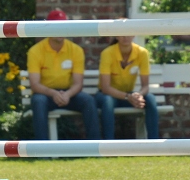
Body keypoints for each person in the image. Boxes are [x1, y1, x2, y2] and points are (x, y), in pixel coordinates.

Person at [27, 9, 101, 140]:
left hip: (69, 94)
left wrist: (67, 94)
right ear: (48, 28)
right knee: (38, 101)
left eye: (63, 26)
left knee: (88, 101)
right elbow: (35, 85)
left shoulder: (76, 50)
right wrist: (54, 93)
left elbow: (78, 84)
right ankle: (42, 150)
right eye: (56, 27)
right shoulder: (35, 51)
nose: (60, 31)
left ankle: (94, 147)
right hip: (46, 95)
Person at [95, 35, 159, 140]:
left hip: (128, 95)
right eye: (122, 33)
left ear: (133, 35)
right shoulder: (107, 53)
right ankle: (108, 145)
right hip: (107, 95)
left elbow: (145, 87)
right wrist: (128, 97)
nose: (125, 37)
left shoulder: (142, 52)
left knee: (150, 99)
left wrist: (138, 95)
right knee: (108, 102)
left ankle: (155, 144)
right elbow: (106, 88)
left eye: (128, 33)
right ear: (116, 36)